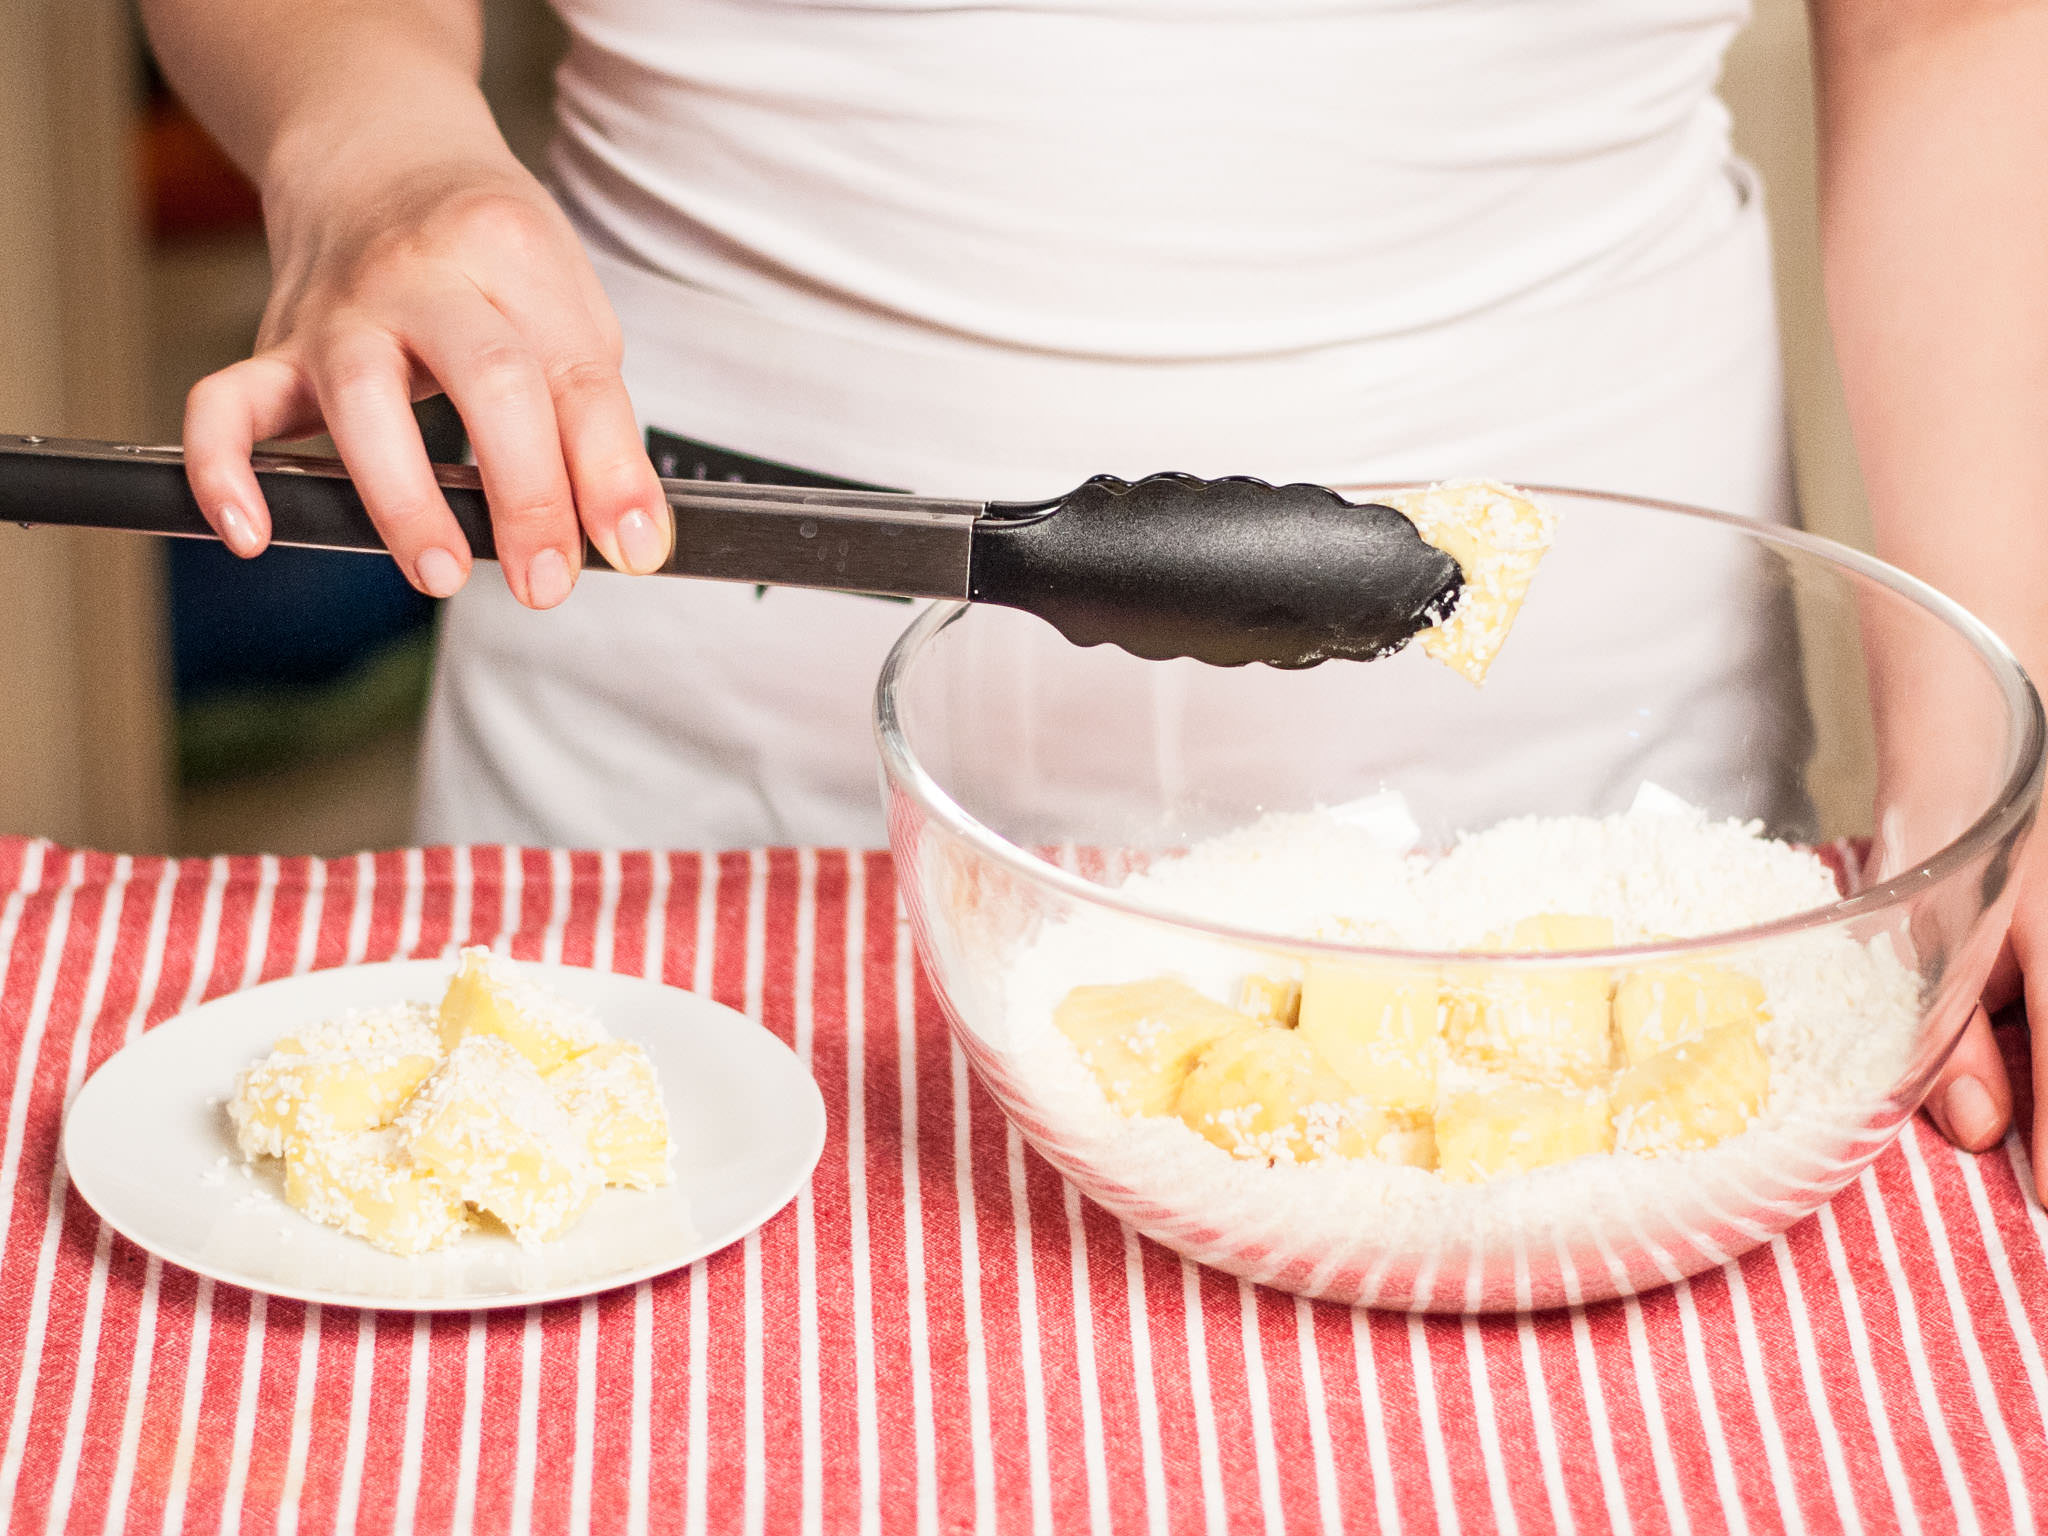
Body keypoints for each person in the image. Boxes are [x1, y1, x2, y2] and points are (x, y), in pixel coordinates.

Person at [143, 0, 2048, 1175]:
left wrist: (2000, 738)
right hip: (680, 796)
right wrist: (367, 152)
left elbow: (1952, 27)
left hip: (1589, 850)